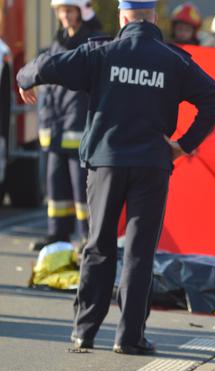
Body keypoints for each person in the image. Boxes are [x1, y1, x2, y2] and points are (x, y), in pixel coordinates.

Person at [17, 0, 215, 355]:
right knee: (140, 252)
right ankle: (129, 338)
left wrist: (25, 79)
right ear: (154, 17)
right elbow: (214, 100)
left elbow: (47, 65)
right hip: (151, 165)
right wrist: (183, 145)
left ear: (122, 17)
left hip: (105, 164)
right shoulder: (173, 61)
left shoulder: (100, 53)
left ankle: (84, 331)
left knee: (98, 245)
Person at [29, 0, 104, 252]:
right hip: (56, 127)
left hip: (78, 128)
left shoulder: (92, 42)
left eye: (68, 11)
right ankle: (57, 235)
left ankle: (87, 238)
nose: (64, 16)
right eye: (61, 11)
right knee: (55, 186)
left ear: (81, 12)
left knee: (81, 189)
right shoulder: (57, 41)